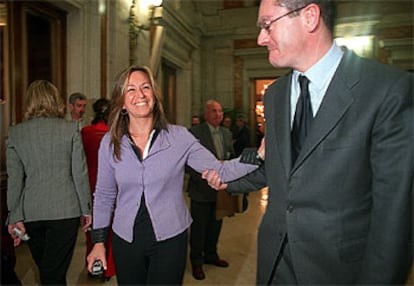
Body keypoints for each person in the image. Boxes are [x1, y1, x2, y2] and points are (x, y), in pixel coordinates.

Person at [203, 0, 413, 284]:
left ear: (310, 17)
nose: (260, 38)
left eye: (267, 25)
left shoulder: (387, 91)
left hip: (339, 270)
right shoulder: (275, 95)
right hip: (275, 263)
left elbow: (395, 217)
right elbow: (280, 170)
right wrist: (228, 178)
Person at [85, 66, 259, 285]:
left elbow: (220, 169)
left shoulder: (179, 137)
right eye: (130, 89)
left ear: (155, 96)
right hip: (126, 240)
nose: (140, 95)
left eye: (145, 87)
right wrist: (98, 243)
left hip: (169, 239)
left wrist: (258, 155)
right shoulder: (110, 142)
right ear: (121, 102)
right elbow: (104, 195)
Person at [6, 80, 92, 285]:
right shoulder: (71, 129)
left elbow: (15, 179)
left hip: (31, 212)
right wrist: (86, 209)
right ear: (56, 100)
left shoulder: (16, 133)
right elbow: (79, 173)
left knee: (49, 272)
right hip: (66, 212)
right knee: (52, 274)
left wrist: (14, 216)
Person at [187, 100, 242, 281]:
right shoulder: (195, 133)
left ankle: (211, 254)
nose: (218, 114)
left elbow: (230, 156)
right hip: (201, 189)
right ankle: (197, 261)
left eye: (220, 111)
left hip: (221, 189)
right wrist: (202, 179)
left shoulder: (227, 133)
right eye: (213, 111)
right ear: (206, 114)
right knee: (199, 227)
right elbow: (188, 161)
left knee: (215, 223)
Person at [81, 98, 116, 281]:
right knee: (109, 229)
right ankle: (107, 268)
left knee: (91, 227)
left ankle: (91, 263)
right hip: (111, 185)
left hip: (89, 185)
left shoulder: (85, 132)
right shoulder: (114, 134)